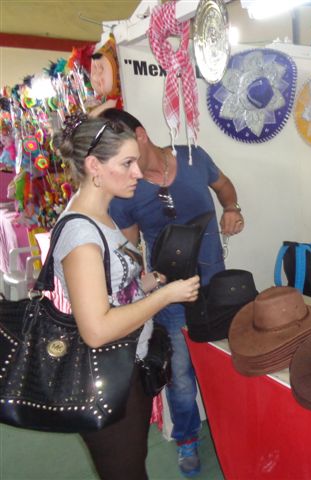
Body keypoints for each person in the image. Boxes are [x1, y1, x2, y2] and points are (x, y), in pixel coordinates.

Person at [52, 114, 200, 479]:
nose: (138, 173)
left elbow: (111, 292)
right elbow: (97, 329)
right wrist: (165, 297)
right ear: (94, 166)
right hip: (104, 379)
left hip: (124, 368)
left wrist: (152, 281)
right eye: (127, 163)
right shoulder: (81, 237)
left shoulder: (100, 217)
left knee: (132, 464)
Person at [101, 108, 244, 477]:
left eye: (126, 155)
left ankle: (236, 432)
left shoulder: (193, 158)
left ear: (141, 135)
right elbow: (130, 251)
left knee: (230, 366)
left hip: (216, 287)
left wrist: (231, 208)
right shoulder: (126, 193)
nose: (126, 168)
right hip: (172, 296)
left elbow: (224, 186)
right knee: (180, 375)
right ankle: (187, 438)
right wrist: (143, 280)